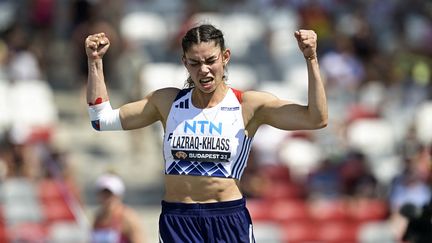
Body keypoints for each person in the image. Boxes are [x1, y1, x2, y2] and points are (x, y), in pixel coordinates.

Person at [85, 24, 327, 242]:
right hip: (178, 221)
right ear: (184, 62)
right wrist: (95, 62)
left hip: (227, 219)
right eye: (195, 63)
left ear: (225, 57)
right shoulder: (167, 102)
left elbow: (316, 118)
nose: (204, 70)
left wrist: (312, 59)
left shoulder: (249, 105)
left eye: (211, 60)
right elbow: (101, 120)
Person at [92, 173, 145, 243]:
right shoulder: (98, 218)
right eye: (104, 194)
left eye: (110, 194)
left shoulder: (128, 218)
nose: (107, 199)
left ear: (119, 195)